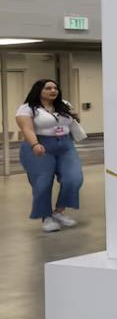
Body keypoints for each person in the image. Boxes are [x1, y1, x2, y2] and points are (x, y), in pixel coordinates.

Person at [14, 79, 84, 232]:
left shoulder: (64, 104)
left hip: (65, 145)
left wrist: (73, 116)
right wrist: (35, 144)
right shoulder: (27, 108)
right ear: (38, 90)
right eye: (48, 88)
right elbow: (27, 129)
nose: (53, 90)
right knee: (42, 183)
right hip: (39, 146)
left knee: (74, 178)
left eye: (55, 88)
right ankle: (46, 217)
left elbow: (69, 123)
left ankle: (59, 212)